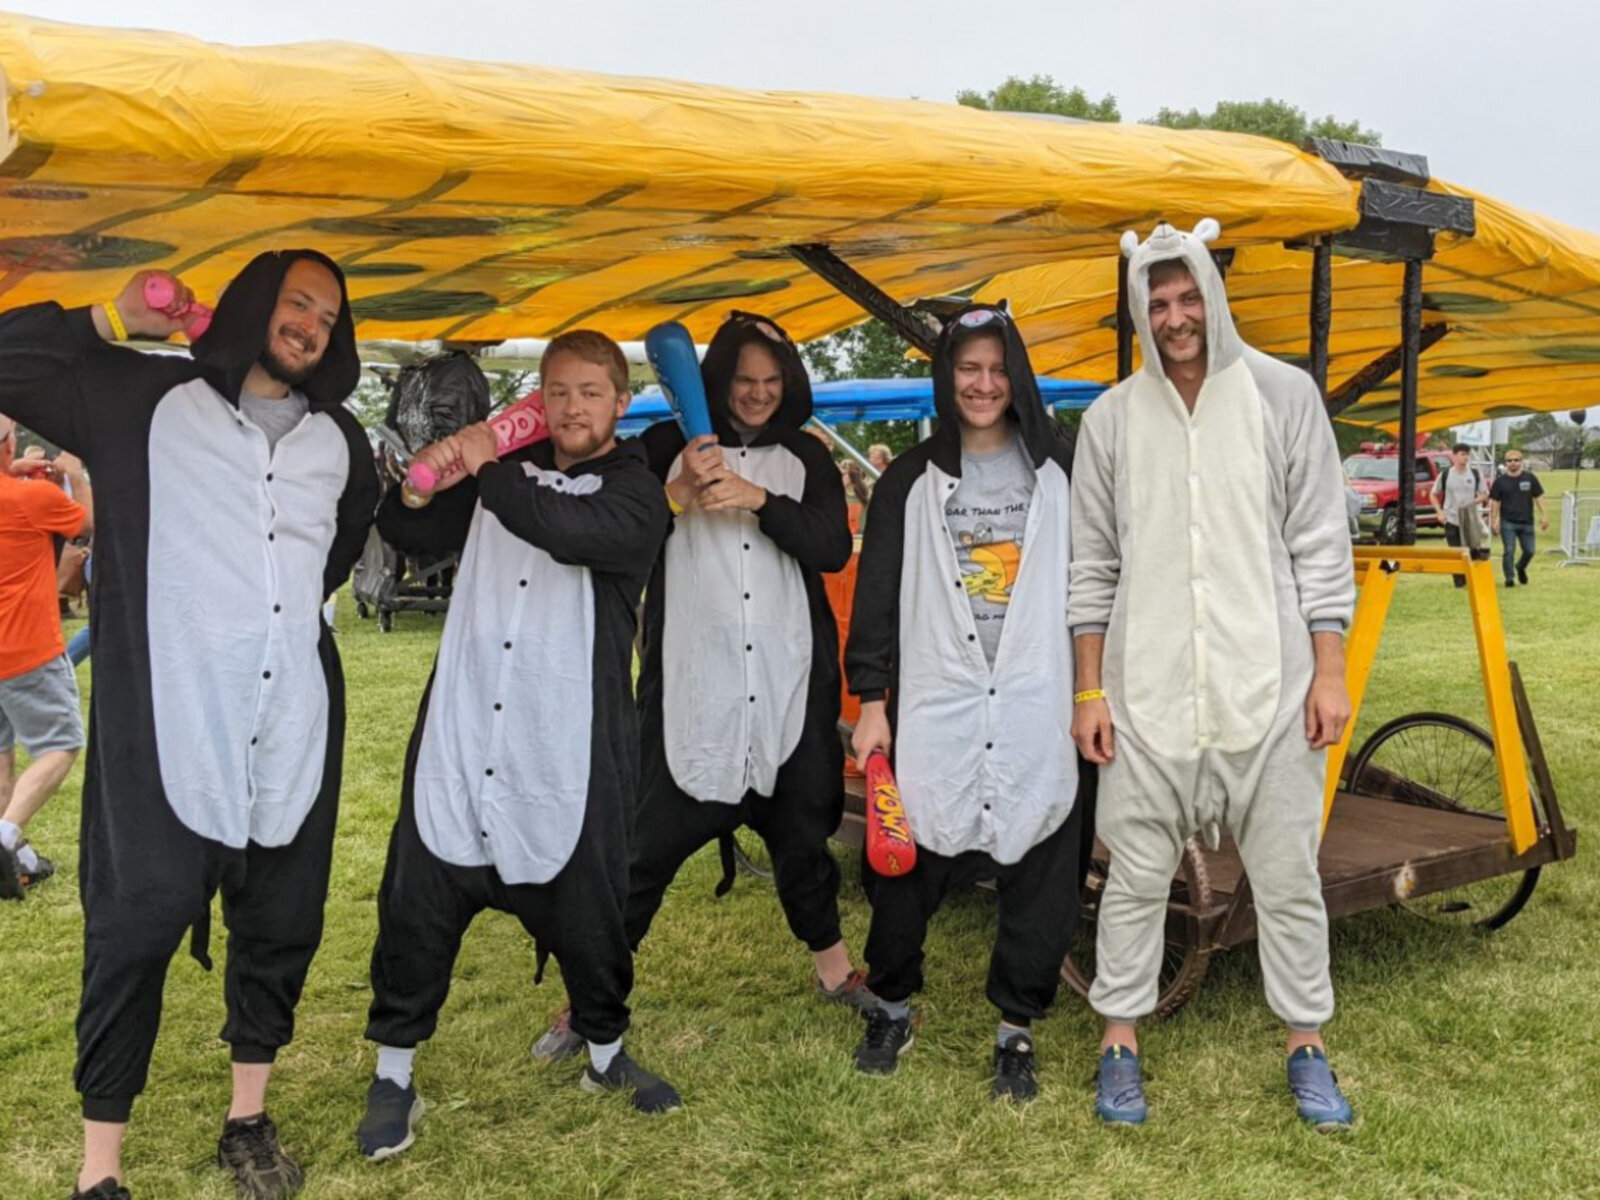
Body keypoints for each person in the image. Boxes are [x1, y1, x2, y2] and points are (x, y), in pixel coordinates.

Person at [0, 253, 379, 1200]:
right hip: (164, 724)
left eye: (328, 316)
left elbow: (334, 549)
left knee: (281, 926)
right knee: (133, 931)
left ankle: (247, 1119)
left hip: (291, 721)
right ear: (255, 304)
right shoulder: (139, 398)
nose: (310, 326)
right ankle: (100, 1170)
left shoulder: (342, 442)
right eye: (296, 303)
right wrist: (108, 316)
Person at [358, 330, 678, 1161]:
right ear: (541, 397)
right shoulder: (499, 477)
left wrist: (485, 459)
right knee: (415, 909)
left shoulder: (637, 493)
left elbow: (571, 531)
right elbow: (416, 538)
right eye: (558, 392)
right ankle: (394, 1074)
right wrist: (423, 492)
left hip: (564, 741)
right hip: (464, 729)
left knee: (594, 913)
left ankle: (604, 1054)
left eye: (590, 393)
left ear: (618, 402)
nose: (573, 408)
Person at [1071, 221, 1356, 1131]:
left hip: (1266, 686)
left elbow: (1320, 541)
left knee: (1287, 877)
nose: (1175, 317)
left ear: (1213, 295)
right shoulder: (1111, 419)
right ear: (1139, 311)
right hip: (1146, 692)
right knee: (1134, 880)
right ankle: (1120, 1041)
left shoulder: (1282, 395)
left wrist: (1328, 671)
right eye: (1156, 303)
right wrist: (1089, 690)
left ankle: (1306, 1043)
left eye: (1188, 296)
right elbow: (1092, 567)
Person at [529, 311, 866, 1068]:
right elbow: (618, 530)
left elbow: (832, 544)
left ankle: (837, 975)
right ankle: (591, 1003)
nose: (756, 395)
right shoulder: (656, 448)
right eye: (743, 381)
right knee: (640, 855)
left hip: (786, 684)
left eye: (772, 382)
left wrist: (757, 500)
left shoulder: (806, 457)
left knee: (804, 846)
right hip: (693, 687)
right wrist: (677, 490)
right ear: (717, 381)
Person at [844, 304, 1091, 1103]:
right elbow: (875, 596)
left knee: (1042, 859)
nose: (982, 385)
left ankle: (1015, 1029)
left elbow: (1096, 586)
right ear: (946, 379)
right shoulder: (908, 482)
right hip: (938, 701)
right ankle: (891, 1004)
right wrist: (873, 702)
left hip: (1038, 697)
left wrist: (1096, 689)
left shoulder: (1063, 470)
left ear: (1015, 375)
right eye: (966, 369)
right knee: (906, 863)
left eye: (995, 369)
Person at [0, 417, 91, 898]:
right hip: (25, 647)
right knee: (60, 746)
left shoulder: (21, 491)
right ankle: (5, 837)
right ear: (11, 441)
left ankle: (17, 861)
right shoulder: (32, 498)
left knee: (1, 755)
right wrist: (76, 474)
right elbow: (89, 522)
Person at [1431, 443, 1489, 588]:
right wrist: (1439, 512)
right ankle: (1459, 582)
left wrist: (1471, 502)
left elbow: (1484, 494)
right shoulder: (1445, 474)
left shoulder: (1475, 474)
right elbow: (1433, 494)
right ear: (1454, 456)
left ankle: (1472, 578)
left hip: (1470, 519)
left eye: (1467, 454)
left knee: (1471, 550)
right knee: (1455, 551)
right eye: (1462, 454)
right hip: (1451, 519)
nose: (1465, 457)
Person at [1489, 450, 1548, 586]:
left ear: (1521, 462)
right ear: (1505, 463)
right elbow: (1495, 502)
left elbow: (1538, 496)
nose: (1513, 463)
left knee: (1530, 551)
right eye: (1509, 461)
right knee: (1509, 550)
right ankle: (1509, 578)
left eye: (1516, 460)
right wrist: (1494, 521)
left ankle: (1520, 567)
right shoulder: (1500, 482)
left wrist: (1544, 515)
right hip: (1507, 522)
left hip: (1527, 522)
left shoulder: (1530, 478)